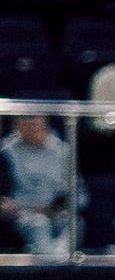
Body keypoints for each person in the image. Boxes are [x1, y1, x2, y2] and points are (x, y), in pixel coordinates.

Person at [1, 109, 71, 257]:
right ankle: (50, 272)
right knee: (39, 224)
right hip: (24, 213)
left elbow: (80, 193)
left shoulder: (63, 151)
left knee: (75, 224)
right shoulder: (6, 151)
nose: (30, 126)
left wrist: (57, 207)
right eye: (24, 121)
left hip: (57, 212)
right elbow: (5, 196)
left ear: (44, 122)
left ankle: (63, 268)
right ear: (16, 124)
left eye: (34, 121)